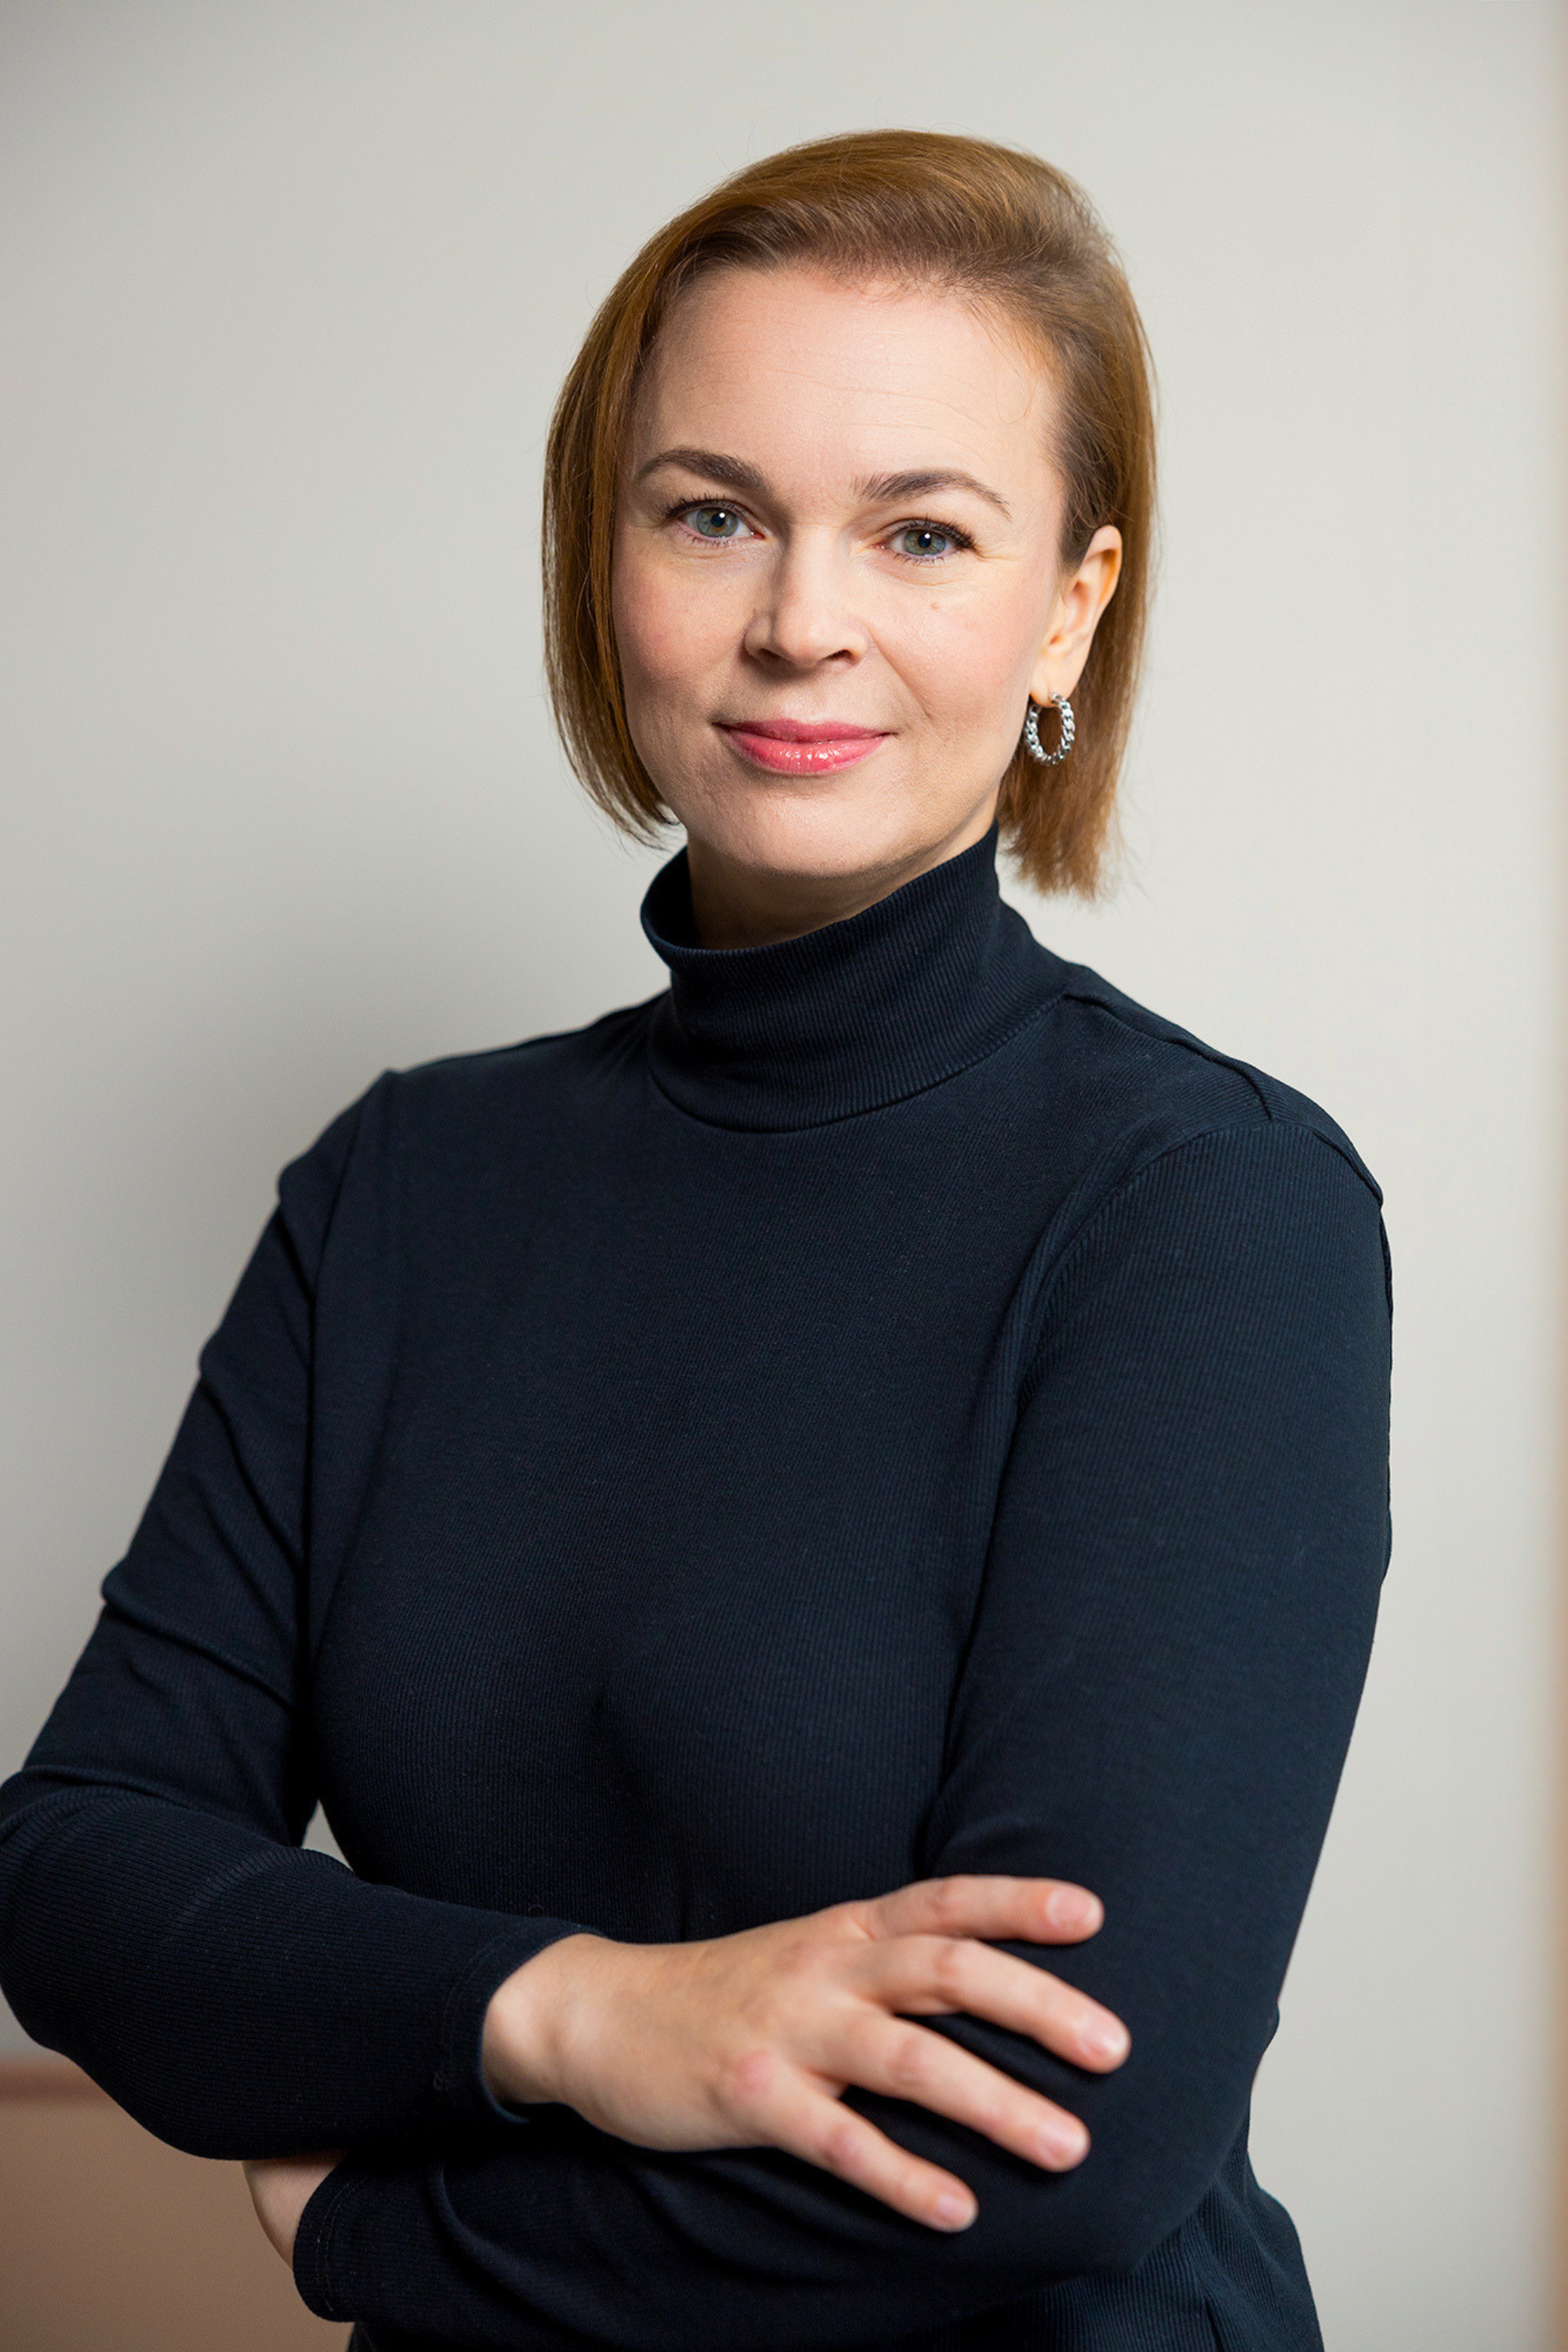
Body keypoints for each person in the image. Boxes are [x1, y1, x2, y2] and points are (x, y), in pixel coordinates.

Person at [0, 130, 1392, 2351]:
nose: (799, 620)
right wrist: (574, 2012)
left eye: (921, 532)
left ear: (1067, 607)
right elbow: (76, 1867)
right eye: (713, 511)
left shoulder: (1206, 1204)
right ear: (605, 558)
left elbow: (1063, 2133)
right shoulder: (404, 1188)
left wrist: (383, 2242)